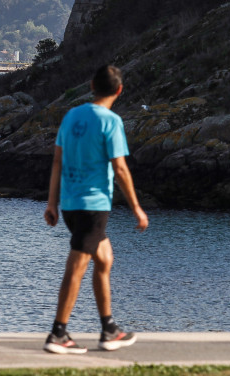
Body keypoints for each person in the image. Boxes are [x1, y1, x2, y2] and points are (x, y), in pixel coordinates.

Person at [43, 64, 149, 354]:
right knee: (76, 267)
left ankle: (109, 329)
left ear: (91, 85)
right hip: (93, 206)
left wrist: (52, 202)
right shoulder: (111, 121)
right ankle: (58, 333)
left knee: (104, 260)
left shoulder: (71, 115)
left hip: (70, 205)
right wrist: (137, 209)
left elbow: (56, 162)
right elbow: (120, 168)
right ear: (119, 90)